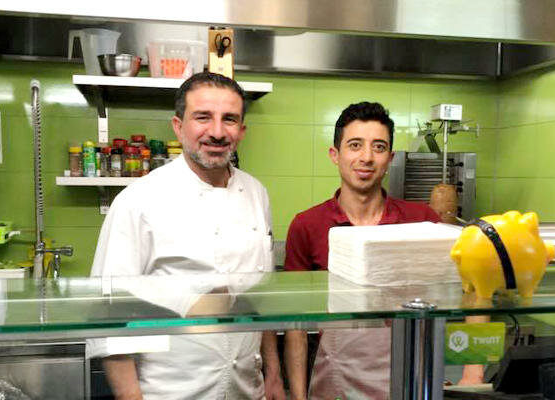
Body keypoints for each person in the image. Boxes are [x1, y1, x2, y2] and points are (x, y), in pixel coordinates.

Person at [88, 72, 285, 400]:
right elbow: (108, 313)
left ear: (242, 130)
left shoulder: (256, 193)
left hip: (248, 388)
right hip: (169, 391)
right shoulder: (139, 200)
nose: (217, 132)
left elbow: (258, 297)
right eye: (203, 117)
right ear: (178, 127)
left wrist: (273, 374)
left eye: (229, 119)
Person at [283, 102, 442, 399]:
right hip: (336, 377)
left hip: (408, 374)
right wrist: (298, 396)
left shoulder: (423, 220)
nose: (366, 158)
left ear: (390, 158)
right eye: (355, 145)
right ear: (335, 155)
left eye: (378, 147)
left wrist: (472, 371)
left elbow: (468, 288)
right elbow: (295, 325)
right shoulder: (307, 225)